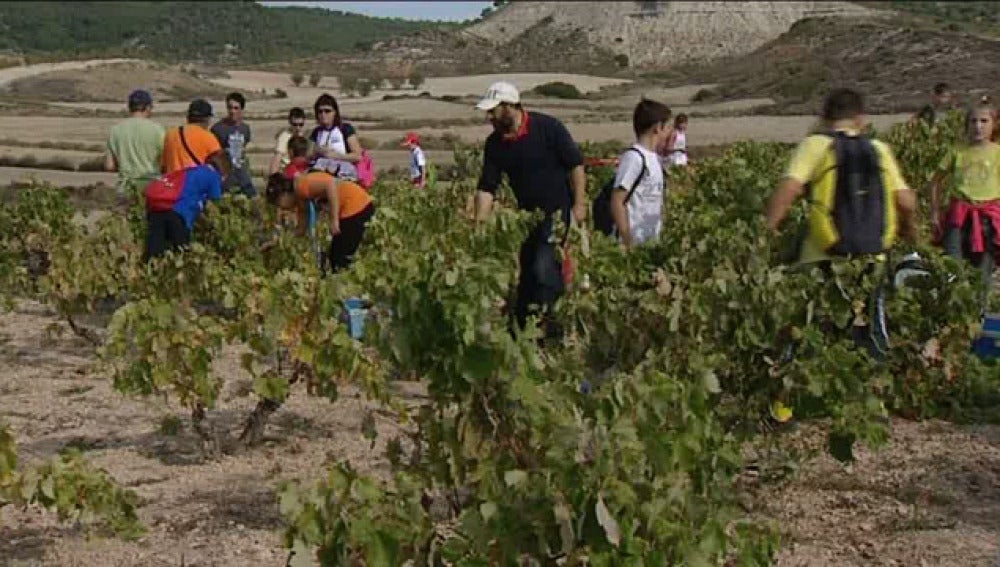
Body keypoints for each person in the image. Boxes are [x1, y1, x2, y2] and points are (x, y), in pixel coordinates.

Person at [472, 81, 587, 339]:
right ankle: (522, 333)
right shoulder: (495, 145)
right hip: (526, 219)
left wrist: (579, 204)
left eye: (494, 111)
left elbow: (575, 166)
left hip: (558, 213)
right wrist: (480, 223)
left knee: (545, 268)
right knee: (527, 276)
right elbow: (487, 187)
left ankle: (553, 330)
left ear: (511, 107)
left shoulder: (548, 128)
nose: (489, 117)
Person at [766, 88, 918, 266]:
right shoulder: (879, 149)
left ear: (824, 118)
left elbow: (789, 189)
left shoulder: (814, 144)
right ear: (860, 119)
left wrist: (767, 232)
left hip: (822, 256)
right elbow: (905, 201)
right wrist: (909, 232)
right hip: (873, 258)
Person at [930, 101, 1000, 299]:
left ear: (993, 124)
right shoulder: (957, 151)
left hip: (988, 219)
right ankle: (951, 320)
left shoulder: (997, 153)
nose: (978, 126)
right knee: (953, 270)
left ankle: (977, 320)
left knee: (982, 276)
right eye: (973, 121)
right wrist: (934, 212)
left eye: (984, 121)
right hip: (959, 218)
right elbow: (935, 181)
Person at [145, 151, 232, 261]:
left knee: (155, 252)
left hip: (159, 208)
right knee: (181, 253)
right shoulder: (214, 177)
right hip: (180, 213)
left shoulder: (191, 170)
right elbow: (217, 201)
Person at [611, 99, 672, 249]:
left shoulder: (654, 158)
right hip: (633, 242)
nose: (671, 131)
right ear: (658, 128)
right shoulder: (634, 158)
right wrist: (627, 239)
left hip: (650, 240)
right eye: (668, 126)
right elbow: (618, 200)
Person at [104, 89, 165, 206]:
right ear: (147, 107)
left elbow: (109, 166)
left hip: (126, 187)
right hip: (152, 187)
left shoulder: (116, 130)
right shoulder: (158, 129)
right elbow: (164, 162)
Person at [308, 94, 364, 180]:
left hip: (343, 176)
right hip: (321, 176)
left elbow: (357, 156)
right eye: (320, 111)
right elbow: (308, 155)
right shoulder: (316, 132)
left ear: (335, 112)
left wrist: (335, 155)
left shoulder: (345, 129)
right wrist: (318, 151)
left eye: (327, 111)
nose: (323, 114)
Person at [210, 92, 255, 196]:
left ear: (241, 110)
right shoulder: (217, 129)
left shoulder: (245, 128)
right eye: (230, 108)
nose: (232, 111)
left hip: (243, 177)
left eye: (236, 108)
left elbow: (244, 149)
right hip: (225, 179)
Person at [161, 99, 222, 174]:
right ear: (207, 118)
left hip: (174, 183)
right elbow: (219, 166)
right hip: (195, 183)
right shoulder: (208, 137)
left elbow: (164, 167)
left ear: (188, 117)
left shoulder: (170, 134)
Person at [269, 107, 307, 175]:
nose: (298, 128)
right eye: (295, 124)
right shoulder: (284, 137)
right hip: (287, 171)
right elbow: (277, 159)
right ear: (290, 122)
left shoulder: (304, 135)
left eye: (301, 124)